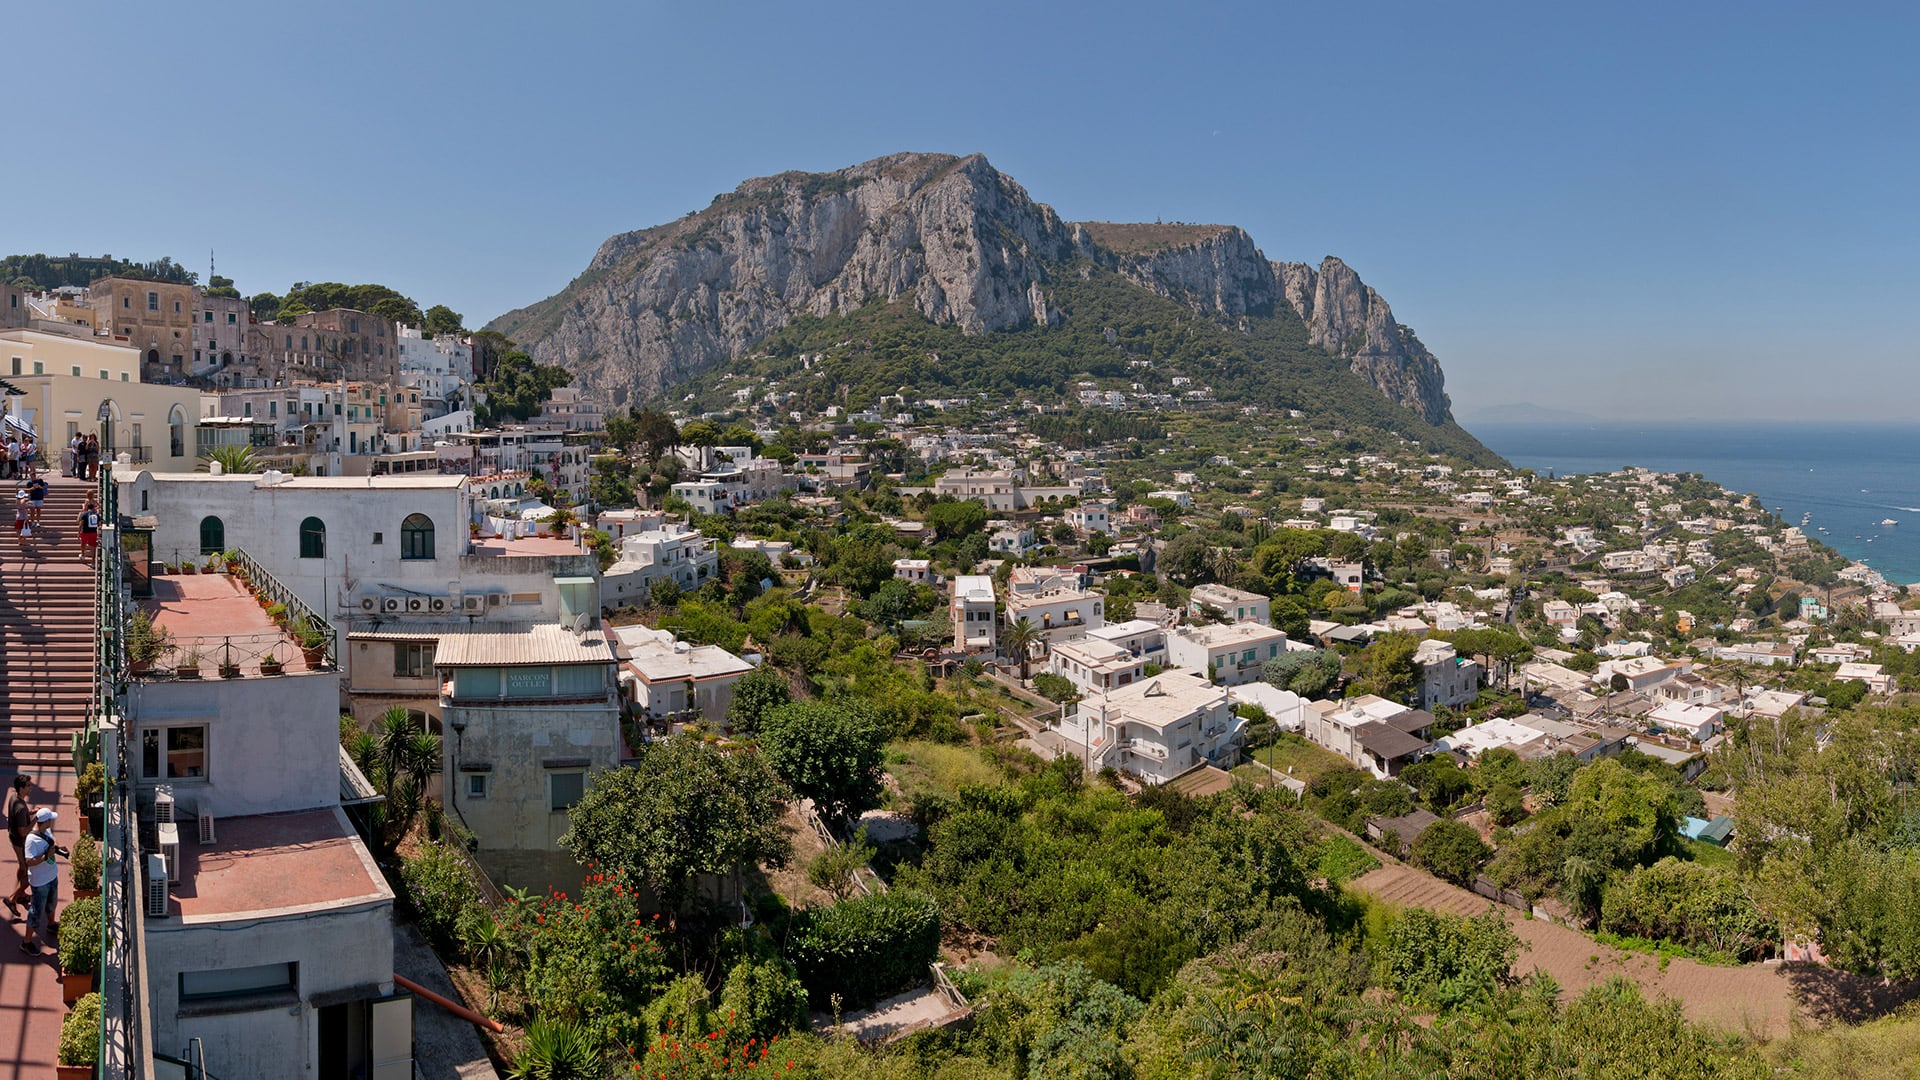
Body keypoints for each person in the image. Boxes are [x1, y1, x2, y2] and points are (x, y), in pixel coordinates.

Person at [21, 807, 65, 955]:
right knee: (35, 912)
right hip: (40, 882)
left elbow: (52, 840)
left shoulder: (46, 831)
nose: (52, 821)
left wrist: (58, 848)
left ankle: (51, 924)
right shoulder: (31, 840)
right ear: (45, 821)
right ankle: (26, 942)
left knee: (52, 902)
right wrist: (46, 856)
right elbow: (29, 861)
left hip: (51, 875)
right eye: (50, 819)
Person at [4, 776, 30, 920]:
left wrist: (31, 813)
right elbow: (23, 831)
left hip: (14, 839)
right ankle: (12, 899)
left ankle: (21, 895)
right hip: (20, 842)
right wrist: (36, 820)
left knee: (21, 867)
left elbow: (20, 816)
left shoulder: (14, 797)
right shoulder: (20, 807)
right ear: (21, 788)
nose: (30, 787)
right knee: (30, 874)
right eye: (28, 785)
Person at [77, 496, 101, 563]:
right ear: (93, 508)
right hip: (93, 532)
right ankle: (93, 561)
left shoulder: (84, 514)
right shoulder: (96, 515)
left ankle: (83, 555)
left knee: (83, 544)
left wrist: (78, 532)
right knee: (93, 546)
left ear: (87, 507)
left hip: (85, 532)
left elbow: (81, 524)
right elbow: (99, 525)